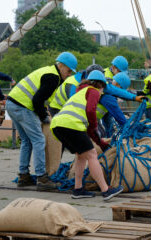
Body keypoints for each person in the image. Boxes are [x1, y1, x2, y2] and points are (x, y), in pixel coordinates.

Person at [5, 52, 77, 190]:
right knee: (39, 140)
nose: (69, 74)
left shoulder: (49, 72)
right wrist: (44, 116)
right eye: (68, 71)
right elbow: (37, 100)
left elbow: (41, 98)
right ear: (61, 65)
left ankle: (23, 176)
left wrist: (43, 112)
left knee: (27, 141)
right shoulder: (53, 77)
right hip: (22, 106)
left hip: (12, 104)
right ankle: (41, 178)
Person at [51, 70, 124, 201]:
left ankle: (78, 189)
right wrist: (95, 126)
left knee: (81, 155)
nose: (102, 92)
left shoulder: (80, 92)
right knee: (92, 155)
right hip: (70, 125)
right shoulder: (94, 91)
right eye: (103, 89)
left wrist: (100, 141)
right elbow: (91, 111)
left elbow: (90, 130)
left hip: (57, 125)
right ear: (101, 85)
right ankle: (106, 190)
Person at [98, 72, 131, 137]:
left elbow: (107, 120)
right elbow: (118, 115)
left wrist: (110, 136)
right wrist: (129, 129)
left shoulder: (106, 88)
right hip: (85, 121)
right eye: (120, 89)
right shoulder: (109, 96)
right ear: (117, 84)